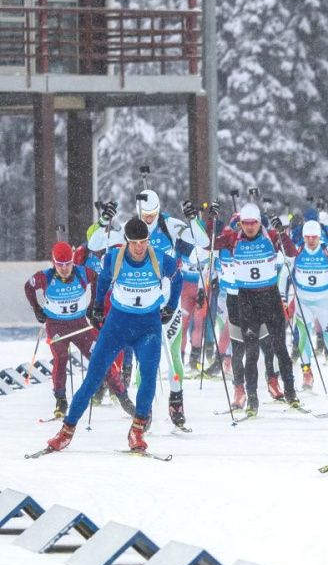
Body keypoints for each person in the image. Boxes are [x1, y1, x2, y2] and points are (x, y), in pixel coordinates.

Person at [45, 217, 181, 453]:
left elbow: (177, 278)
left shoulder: (160, 259)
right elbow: (104, 279)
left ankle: (137, 430)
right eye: (134, 242)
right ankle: (66, 430)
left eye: (143, 242)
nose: (139, 247)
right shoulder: (113, 258)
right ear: (126, 241)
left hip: (148, 327)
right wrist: (97, 306)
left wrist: (171, 306)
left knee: (148, 376)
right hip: (117, 326)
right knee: (93, 378)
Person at [88, 191, 211, 429]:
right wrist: (104, 220)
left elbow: (203, 241)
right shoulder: (131, 228)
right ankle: (144, 410)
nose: (149, 219)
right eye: (146, 214)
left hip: (167, 303)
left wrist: (193, 219)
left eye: (153, 214)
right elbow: (94, 245)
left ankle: (176, 401)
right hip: (142, 307)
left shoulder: (169, 225)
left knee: (173, 354)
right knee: (145, 360)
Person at [24, 241, 136, 419]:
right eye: (60, 265)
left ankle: (124, 398)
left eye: (68, 264)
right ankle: (61, 400)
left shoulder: (83, 272)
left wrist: (93, 306)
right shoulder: (45, 277)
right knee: (61, 357)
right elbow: (28, 286)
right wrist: (37, 309)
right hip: (56, 326)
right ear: (54, 263)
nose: (64, 269)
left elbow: (98, 279)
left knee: (100, 359)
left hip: (80, 325)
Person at [211, 203, 301, 415]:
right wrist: (210, 220)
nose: (249, 227)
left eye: (253, 223)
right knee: (251, 352)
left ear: (259, 223)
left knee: (280, 348)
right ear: (241, 223)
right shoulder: (233, 238)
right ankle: (252, 399)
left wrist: (282, 232)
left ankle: (290, 393)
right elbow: (208, 244)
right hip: (247, 301)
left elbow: (292, 252)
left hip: (270, 298)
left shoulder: (271, 236)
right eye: (246, 223)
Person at [286, 219, 328, 393]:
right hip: (303, 303)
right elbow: (283, 274)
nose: (311, 240)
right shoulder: (296, 250)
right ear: (303, 237)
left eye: (314, 237)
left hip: (324, 303)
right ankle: (307, 373)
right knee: (303, 338)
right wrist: (282, 298)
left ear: (319, 237)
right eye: (307, 237)